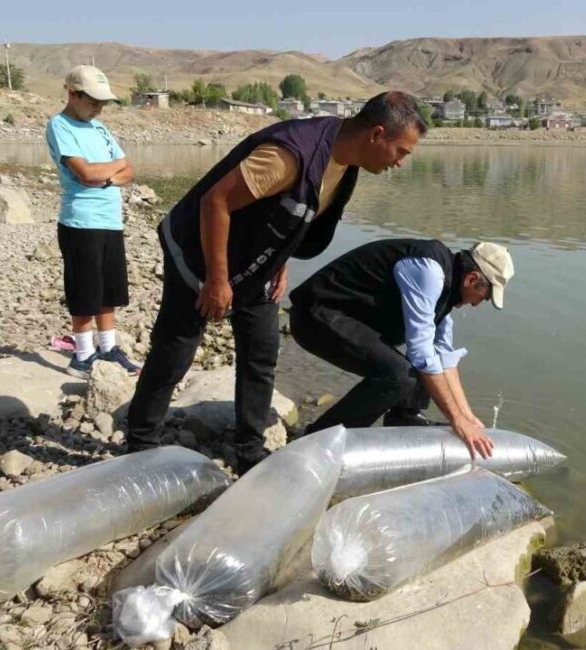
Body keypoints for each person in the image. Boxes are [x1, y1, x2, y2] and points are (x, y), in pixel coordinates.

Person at [126, 92, 428, 473]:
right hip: (197, 251)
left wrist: (279, 258)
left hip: (257, 262)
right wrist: (217, 281)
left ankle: (249, 450)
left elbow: (294, 215)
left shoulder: (344, 163)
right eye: (401, 151)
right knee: (176, 349)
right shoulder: (289, 156)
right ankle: (140, 446)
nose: (400, 163)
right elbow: (214, 203)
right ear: (377, 135)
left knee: (261, 352)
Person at [288, 238, 514, 459]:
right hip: (316, 316)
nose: (476, 304)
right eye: (483, 298)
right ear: (472, 279)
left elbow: (444, 357)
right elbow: (421, 352)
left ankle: (404, 417)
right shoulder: (428, 271)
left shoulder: (446, 288)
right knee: (399, 376)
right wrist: (457, 420)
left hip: (343, 319)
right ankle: (316, 443)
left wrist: (468, 418)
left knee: (422, 365)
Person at [46, 65, 140, 379]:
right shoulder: (60, 125)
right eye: (93, 101)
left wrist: (107, 176)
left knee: (109, 290)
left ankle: (108, 348)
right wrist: (110, 170)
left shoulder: (101, 129)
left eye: (102, 102)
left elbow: (128, 170)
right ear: (73, 94)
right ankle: (83, 356)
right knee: (84, 289)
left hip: (109, 220)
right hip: (80, 221)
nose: (99, 108)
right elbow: (83, 173)